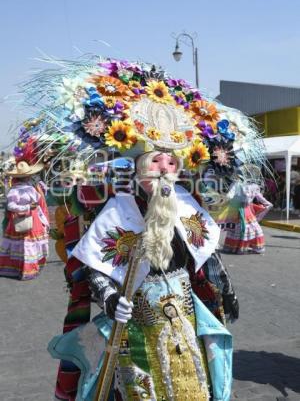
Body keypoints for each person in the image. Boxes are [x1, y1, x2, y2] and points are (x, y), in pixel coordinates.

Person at [49, 151, 234, 401]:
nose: (163, 169)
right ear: (138, 167)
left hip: (184, 314)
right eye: (155, 161)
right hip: (137, 318)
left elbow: (206, 251)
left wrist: (225, 288)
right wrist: (110, 298)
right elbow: (97, 265)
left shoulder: (185, 202)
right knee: (141, 386)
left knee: (193, 382)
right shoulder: (119, 208)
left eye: (171, 162)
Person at [0, 160, 49, 280]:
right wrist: (28, 207)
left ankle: (20, 268)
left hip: (21, 219)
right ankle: (28, 269)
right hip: (29, 219)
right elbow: (13, 206)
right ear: (27, 176)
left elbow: (11, 206)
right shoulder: (22, 190)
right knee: (28, 244)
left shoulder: (18, 190)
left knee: (22, 245)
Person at [222, 179, 272, 255]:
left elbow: (229, 196)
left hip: (243, 211)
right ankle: (238, 247)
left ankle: (237, 247)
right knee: (245, 229)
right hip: (241, 211)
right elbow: (229, 196)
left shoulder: (242, 184)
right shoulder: (241, 184)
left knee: (248, 229)